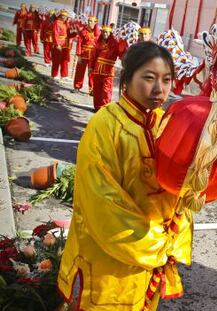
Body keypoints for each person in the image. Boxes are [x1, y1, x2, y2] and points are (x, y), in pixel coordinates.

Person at [58, 41, 193, 311]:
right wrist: (156, 246)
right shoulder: (105, 126)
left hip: (149, 263)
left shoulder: (164, 124)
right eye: (149, 78)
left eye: (167, 80)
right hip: (110, 261)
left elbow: (178, 189)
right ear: (127, 78)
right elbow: (103, 203)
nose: (159, 89)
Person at [90, 25, 128, 110]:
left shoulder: (115, 44)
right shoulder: (99, 42)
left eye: (106, 32)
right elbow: (94, 56)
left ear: (110, 33)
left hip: (108, 70)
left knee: (106, 90)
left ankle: (104, 108)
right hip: (97, 69)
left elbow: (121, 54)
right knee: (97, 89)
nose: (104, 34)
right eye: (103, 32)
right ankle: (97, 107)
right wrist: (91, 67)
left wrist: (124, 42)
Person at [73, 16, 100, 93]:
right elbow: (79, 44)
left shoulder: (98, 33)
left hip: (93, 56)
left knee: (92, 73)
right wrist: (79, 56)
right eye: (88, 21)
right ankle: (77, 87)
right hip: (83, 54)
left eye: (91, 21)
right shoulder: (83, 31)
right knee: (79, 71)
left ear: (95, 23)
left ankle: (92, 89)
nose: (89, 22)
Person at [51, 10, 75, 80]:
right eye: (63, 16)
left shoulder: (66, 24)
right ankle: (54, 75)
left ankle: (64, 75)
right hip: (59, 44)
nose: (64, 17)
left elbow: (69, 35)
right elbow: (55, 34)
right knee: (56, 60)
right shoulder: (57, 23)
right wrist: (57, 44)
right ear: (60, 16)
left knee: (64, 60)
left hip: (65, 44)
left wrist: (75, 33)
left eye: (66, 16)